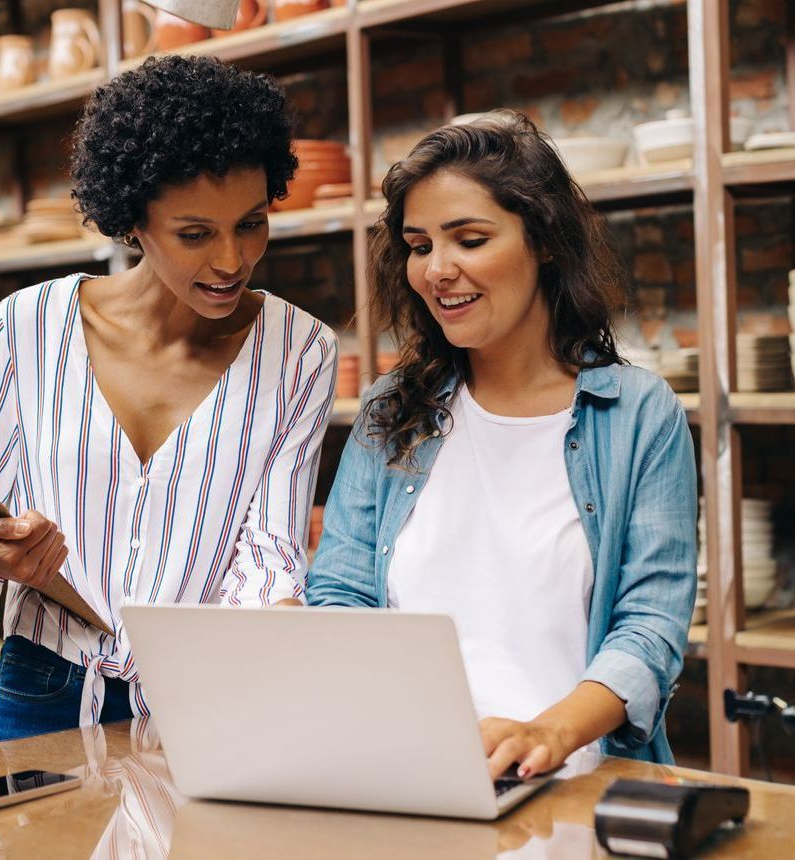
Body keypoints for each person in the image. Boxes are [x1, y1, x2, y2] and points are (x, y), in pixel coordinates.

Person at [0, 55, 337, 743]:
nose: (230, 260)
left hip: (207, 698)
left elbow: (270, 552)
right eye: (195, 233)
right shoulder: (28, 327)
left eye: (251, 223)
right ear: (133, 221)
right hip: (42, 689)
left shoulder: (301, 349)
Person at [306, 112, 696, 777]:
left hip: (569, 778)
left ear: (542, 241)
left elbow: (650, 626)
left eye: (470, 239)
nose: (437, 269)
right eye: (420, 245)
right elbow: (339, 594)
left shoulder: (635, 414)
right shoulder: (391, 412)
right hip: (408, 774)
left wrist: (547, 734)